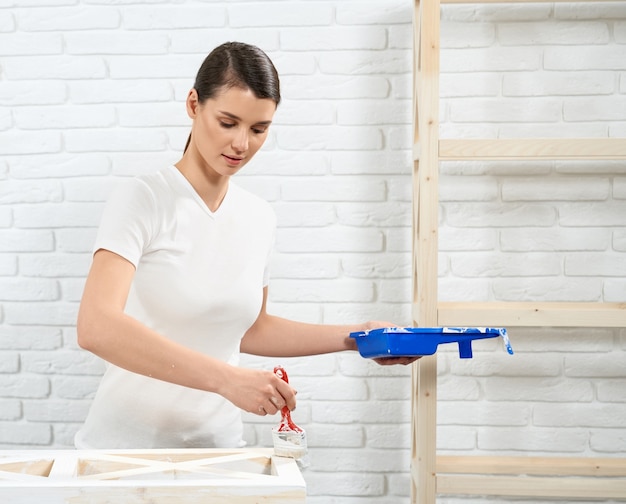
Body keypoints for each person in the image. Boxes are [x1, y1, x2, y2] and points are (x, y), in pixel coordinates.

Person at [75, 41, 418, 450]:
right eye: (227, 122)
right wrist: (227, 379)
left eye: (259, 129)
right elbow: (97, 327)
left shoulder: (258, 217)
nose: (241, 144)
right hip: (124, 451)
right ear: (193, 104)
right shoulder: (143, 198)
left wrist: (359, 335)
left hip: (219, 450)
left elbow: (251, 327)